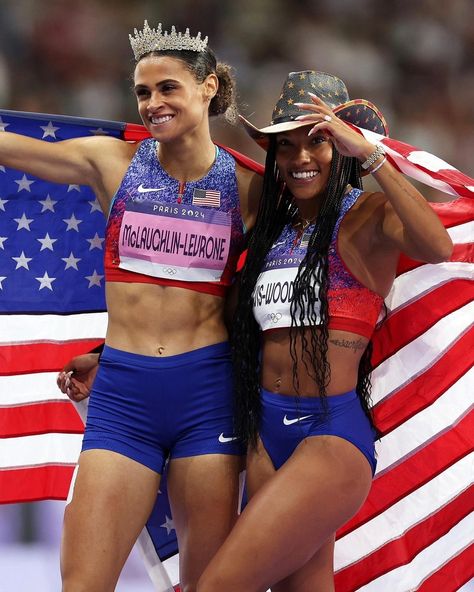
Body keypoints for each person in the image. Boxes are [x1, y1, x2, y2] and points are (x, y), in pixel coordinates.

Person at [0, 21, 262, 592]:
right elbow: (10, 147)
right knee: (84, 583)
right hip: (124, 397)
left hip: (208, 398)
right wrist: (102, 351)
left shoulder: (250, 188)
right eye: (143, 93)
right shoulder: (110, 163)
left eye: (168, 87)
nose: (153, 103)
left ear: (209, 87)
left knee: (206, 585)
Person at [196, 70, 453, 592]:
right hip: (263, 433)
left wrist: (372, 157)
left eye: (318, 141)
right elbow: (216, 325)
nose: (300, 158)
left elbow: (438, 246)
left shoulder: (369, 215)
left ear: (343, 147)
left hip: (330, 435)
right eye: (285, 146)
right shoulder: (269, 231)